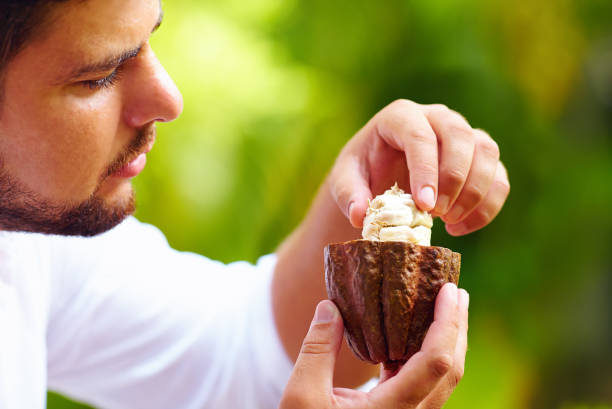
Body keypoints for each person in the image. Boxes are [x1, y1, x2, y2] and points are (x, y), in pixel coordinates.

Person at [0, 0, 509, 408]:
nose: (168, 100)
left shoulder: (29, 243)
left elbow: (243, 361)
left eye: (149, 40)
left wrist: (369, 196)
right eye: (99, 76)